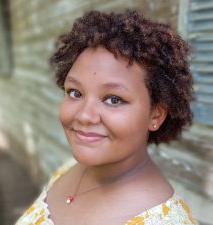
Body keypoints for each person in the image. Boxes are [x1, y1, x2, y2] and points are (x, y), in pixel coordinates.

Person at [16, 10, 197, 225]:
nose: (84, 115)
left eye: (113, 99)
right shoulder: (68, 168)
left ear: (155, 114)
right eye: (75, 93)